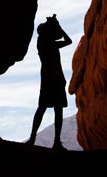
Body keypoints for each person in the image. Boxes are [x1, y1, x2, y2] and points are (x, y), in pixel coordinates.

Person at [26, 14, 72, 151]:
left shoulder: (50, 43)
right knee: (44, 108)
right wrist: (55, 24)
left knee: (55, 109)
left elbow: (68, 41)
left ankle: (54, 141)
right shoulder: (42, 41)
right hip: (51, 78)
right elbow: (62, 38)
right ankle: (34, 138)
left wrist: (58, 26)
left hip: (54, 78)